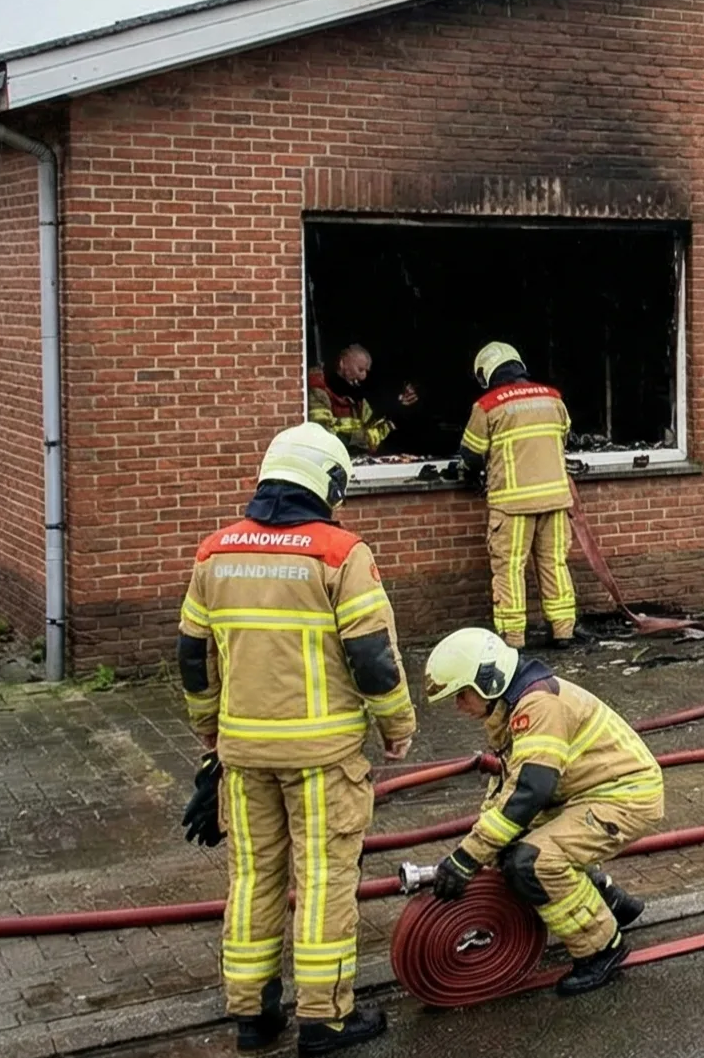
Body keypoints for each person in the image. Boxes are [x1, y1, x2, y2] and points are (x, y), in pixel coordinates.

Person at [177, 423, 416, 1055]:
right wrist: (397, 726)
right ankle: (324, 1017)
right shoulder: (339, 554)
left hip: (242, 756)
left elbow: (193, 656)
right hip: (322, 759)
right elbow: (373, 658)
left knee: (253, 878)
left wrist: (208, 729)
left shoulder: (215, 553)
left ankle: (252, 1015)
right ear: (329, 483)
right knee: (323, 881)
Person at [423, 627, 663, 998]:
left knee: (533, 862)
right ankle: (611, 902)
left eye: (461, 694)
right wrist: (478, 850)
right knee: (509, 847)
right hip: (584, 793)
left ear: (487, 680)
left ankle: (602, 949)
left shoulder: (538, 707)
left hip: (625, 797)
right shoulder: (514, 705)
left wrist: (466, 859)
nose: (459, 706)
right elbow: (508, 787)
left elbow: (530, 791)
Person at [460, 342, 579, 648]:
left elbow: (471, 454)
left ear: (486, 373)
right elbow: (565, 438)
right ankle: (563, 631)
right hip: (555, 500)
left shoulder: (487, 405)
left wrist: (474, 474)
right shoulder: (553, 398)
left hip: (512, 505)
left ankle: (512, 637)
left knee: (510, 569)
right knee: (554, 564)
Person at [306, 344, 417, 456]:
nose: (363, 376)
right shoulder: (318, 391)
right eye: (360, 369)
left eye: (366, 371)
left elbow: (373, 434)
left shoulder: (358, 398)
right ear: (342, 363)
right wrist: (359, 440)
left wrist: (397, 409)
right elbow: (323, 435)